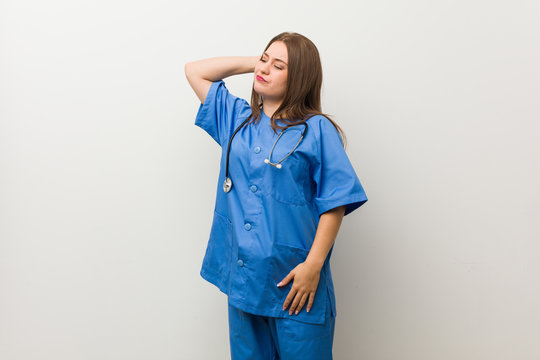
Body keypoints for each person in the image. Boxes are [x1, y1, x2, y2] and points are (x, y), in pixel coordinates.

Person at [185, 32, 368, 360]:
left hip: (296, 283)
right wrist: (255, 63)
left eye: (278, 65)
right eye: (264, 59)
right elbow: (195, 70)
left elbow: (335, 202)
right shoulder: (236, 118)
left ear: (299, 77)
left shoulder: (317, 129)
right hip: (244, 280)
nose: (265, 69)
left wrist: (313, 267)